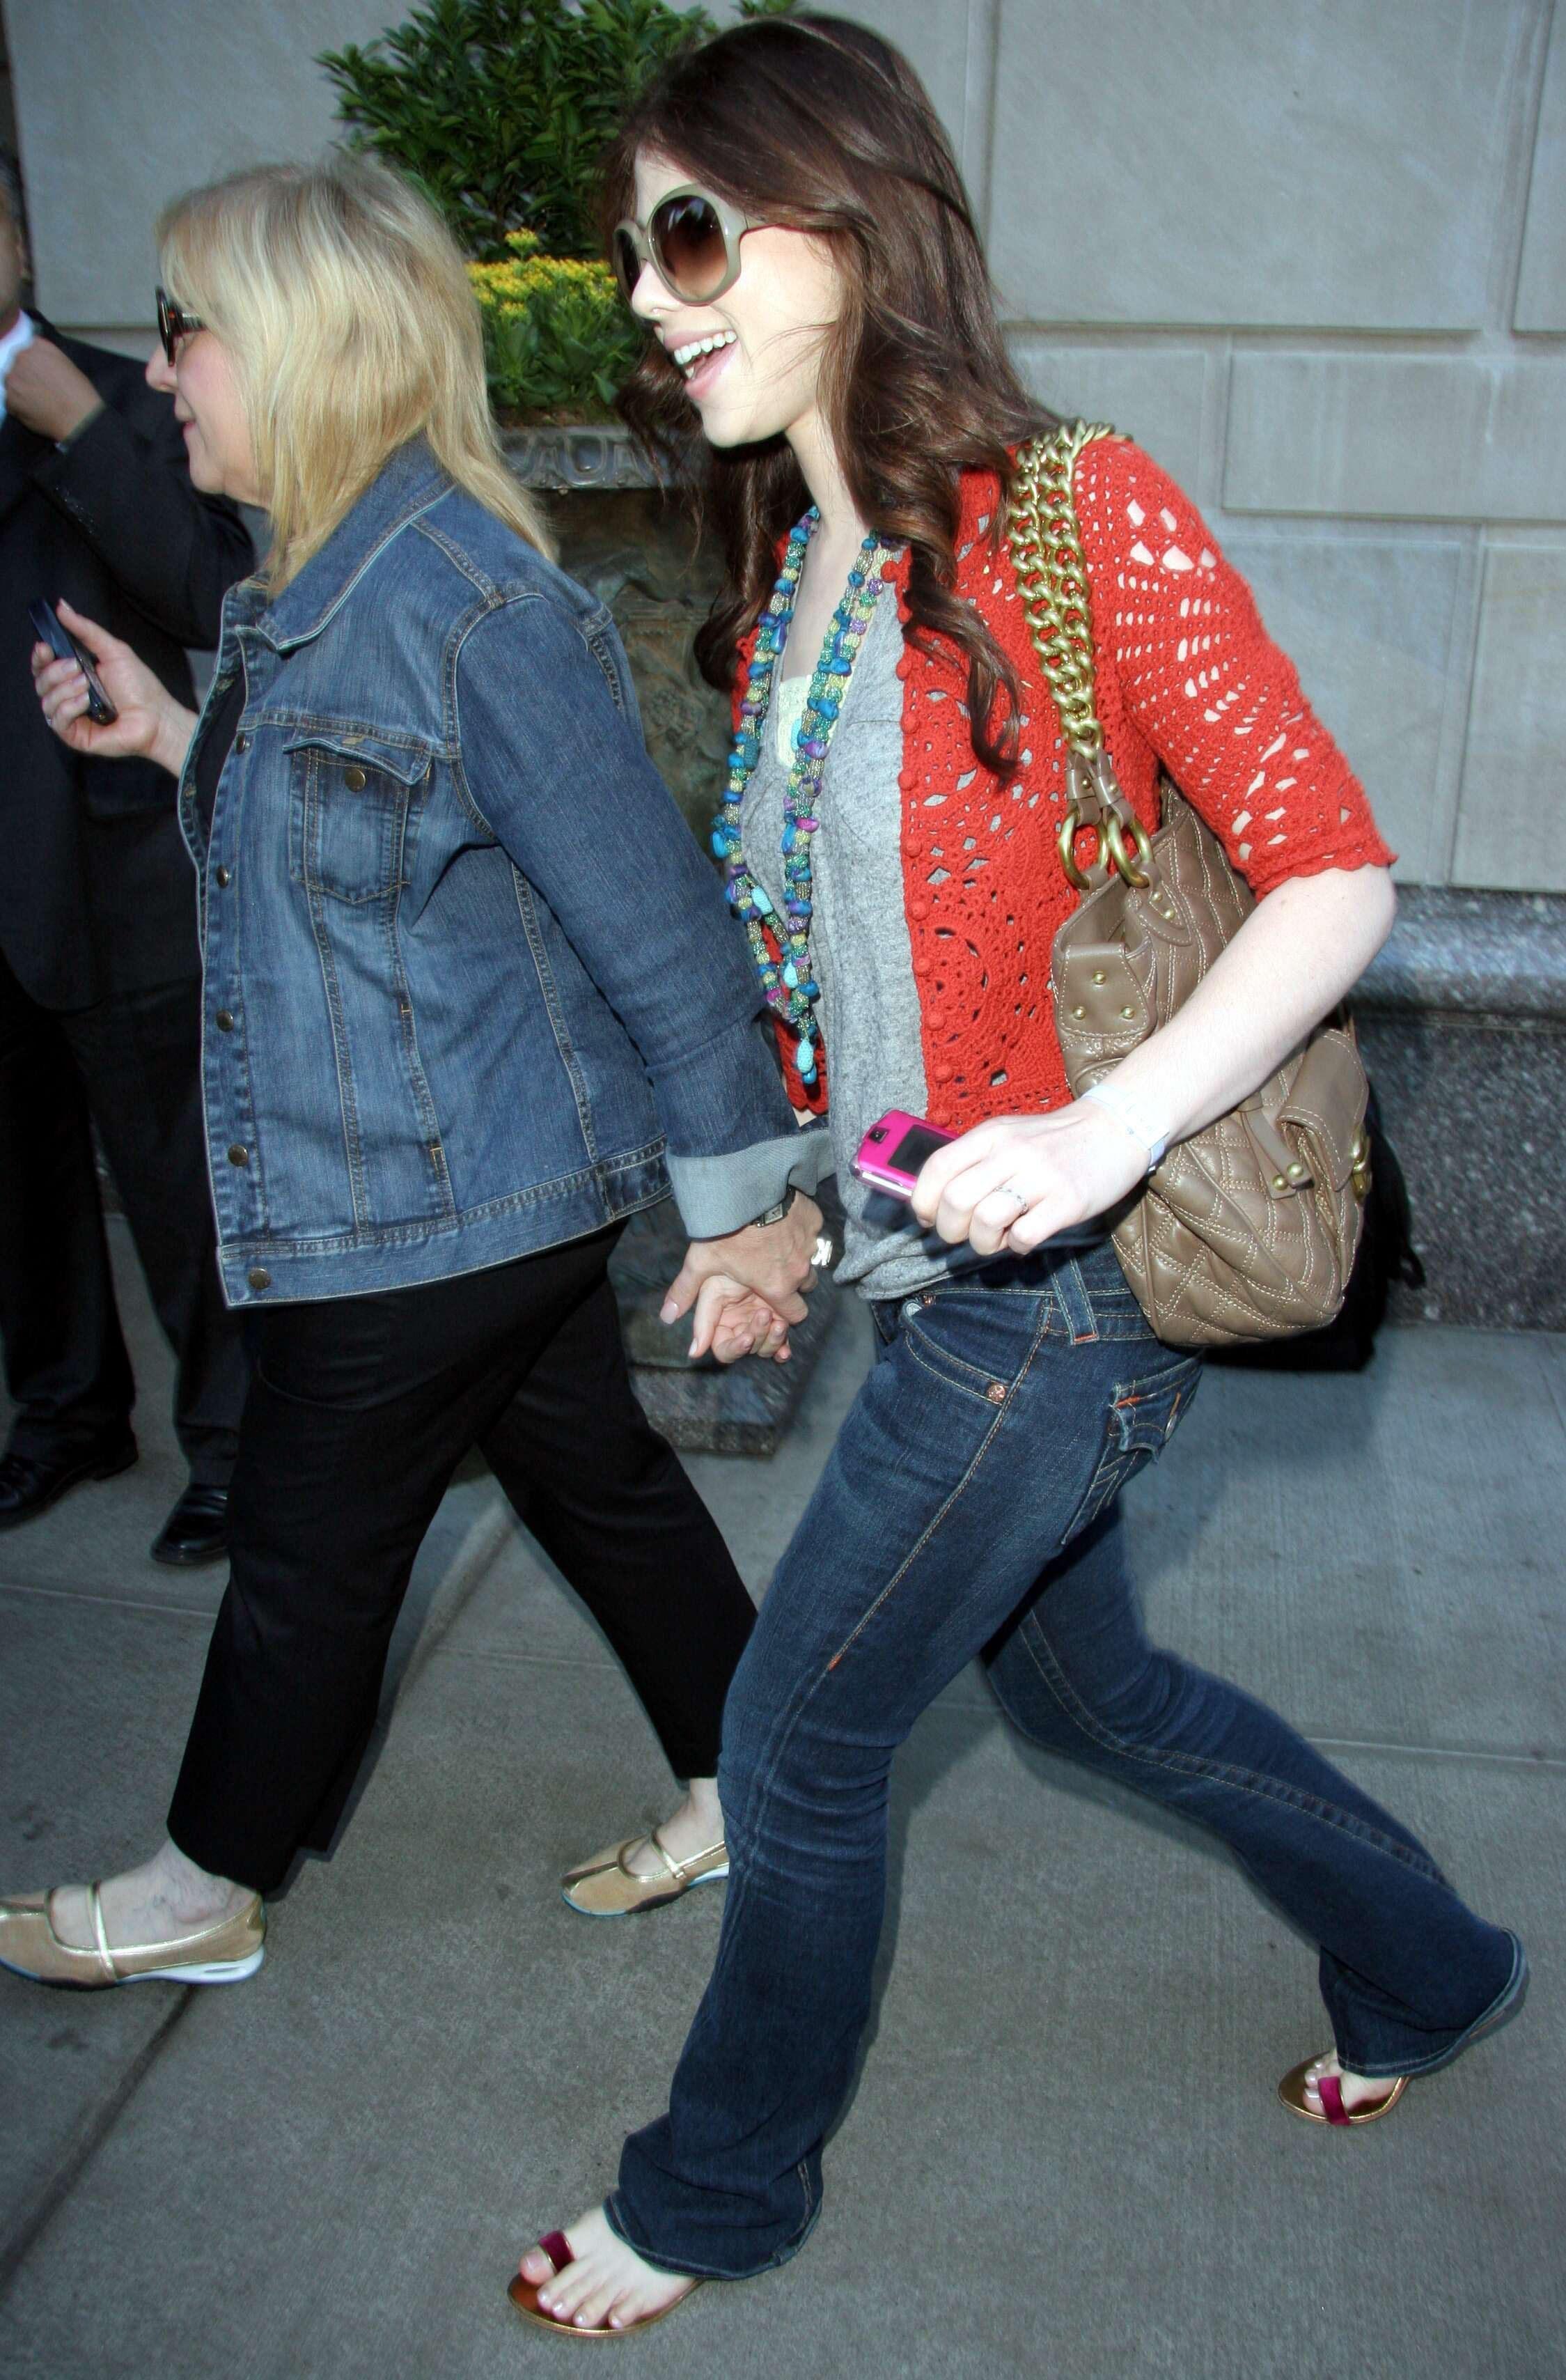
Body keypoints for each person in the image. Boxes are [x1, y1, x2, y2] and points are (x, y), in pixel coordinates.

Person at [512, 15, 1527, 2335]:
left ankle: (716, 2188)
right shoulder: (793, 598)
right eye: (632, 253)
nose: (654, 301)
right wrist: (774, 1211)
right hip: (921, 1259)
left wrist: (1102, 1121)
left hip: (1068, 1297)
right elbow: (822, 978)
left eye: (693, 233)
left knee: (797, 1729)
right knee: (1097, 1701)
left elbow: (1335, 870)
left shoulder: (1080, 517)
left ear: (851, 224)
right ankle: (1435, 1958)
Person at [0, 154, 831, 1993]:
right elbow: (360, 819)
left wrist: (750, 1216)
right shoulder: (322, 567)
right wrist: (173, 733)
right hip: (463, 1179)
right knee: (593, 1480)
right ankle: (755, 1773)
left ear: (297, 347)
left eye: (185, 330)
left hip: (431, 1195)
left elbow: (657, 928)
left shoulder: (470, 602)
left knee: (304, 1553)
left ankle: (203, 1883)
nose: (158, 375)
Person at [0, 150, 252, 1564]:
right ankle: (64, 1410)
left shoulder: (135, 395)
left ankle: (229, 1446)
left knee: (174, 1178)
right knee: (18, 1184)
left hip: (113, 865)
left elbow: (214, 589)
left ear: (20, 239)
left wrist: (79, 429)